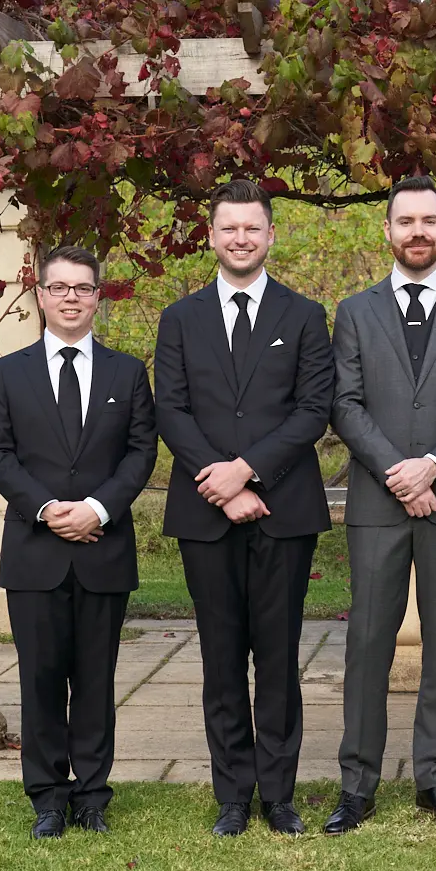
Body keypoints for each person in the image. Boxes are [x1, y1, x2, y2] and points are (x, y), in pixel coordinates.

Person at [325, 175, 436, 834]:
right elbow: (344, 403)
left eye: (430, 219)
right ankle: (358, 783)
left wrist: (433, 465)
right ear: (388, 231)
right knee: (367, 641)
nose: (418, 231)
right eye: (406, 221)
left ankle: (435, 777)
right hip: (378, 498)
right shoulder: (355, 310)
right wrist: (397, 472)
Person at [154, 180, 335, 837]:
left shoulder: (305, 315)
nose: (240, 238)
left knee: (280, 655)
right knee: (221, 655)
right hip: (205, 513)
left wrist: (248, 471)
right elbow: (170, 408)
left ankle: (278, 794)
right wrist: (220, 483)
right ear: (211, 235)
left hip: (283, 509)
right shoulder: (179, 319)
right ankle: (232, 793)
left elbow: (313, 409)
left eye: (251, 228)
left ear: (270, 236)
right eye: (228, 228)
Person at [0, 246, 158, 840]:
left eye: (83, 287)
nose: (71, 297)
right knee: (42, 679)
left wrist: (98, 509)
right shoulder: (8, 373)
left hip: (103, 549)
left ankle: (92, 796)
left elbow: (140, 454)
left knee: (96, 680)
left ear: (97, 296)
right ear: (41, 296)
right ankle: (48, 798)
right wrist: (50, 510)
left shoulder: (128, 373)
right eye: (59, 288)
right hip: (36, 552)